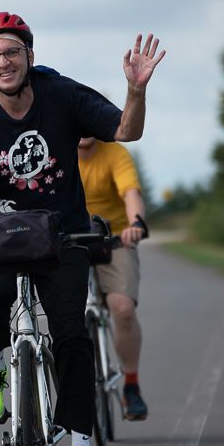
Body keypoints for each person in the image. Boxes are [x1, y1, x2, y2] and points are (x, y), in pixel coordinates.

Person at [0, 12, 164, 446]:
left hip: (63, 236)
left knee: (71, 336)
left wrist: (136, 90)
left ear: (30, 55)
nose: (3, 62)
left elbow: (126, 130)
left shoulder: (61, 94)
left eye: (11, 52)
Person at [78, 136, 149, 420]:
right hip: (69, 240)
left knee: (123, 308)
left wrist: (136, 223)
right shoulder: (55, 151)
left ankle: (131, 385)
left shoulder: (114, 154)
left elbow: (130, 192)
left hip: (115, 238)